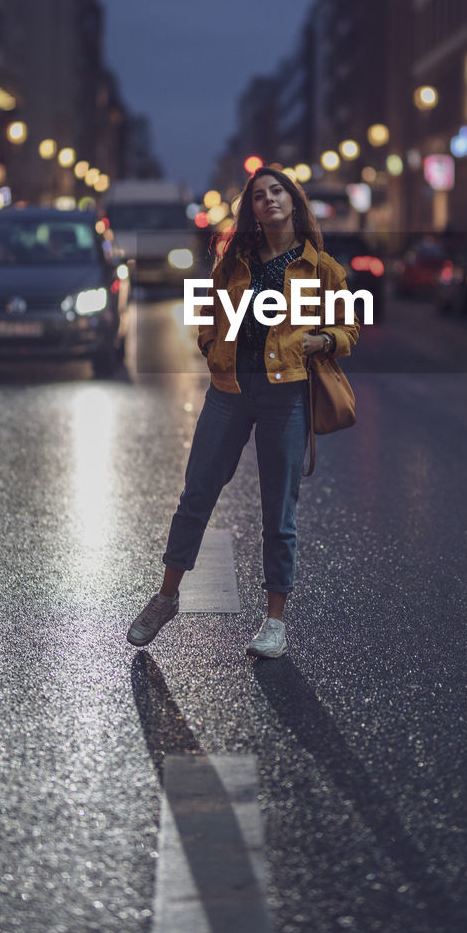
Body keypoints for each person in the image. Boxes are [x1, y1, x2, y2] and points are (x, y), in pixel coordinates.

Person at [126, 165, 360, 658]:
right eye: (259, 195)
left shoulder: (322, 270)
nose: (269, 200)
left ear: (293, 202)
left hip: (287, 393)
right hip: (230, 388)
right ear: (251, 209)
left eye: (278, 192)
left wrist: (321, 338)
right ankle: (166, 597)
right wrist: (212, 348)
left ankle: (274, 622)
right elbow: (210, 315)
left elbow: (349, 331)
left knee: (279, 512)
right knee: (197, 494)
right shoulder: (234, 262)